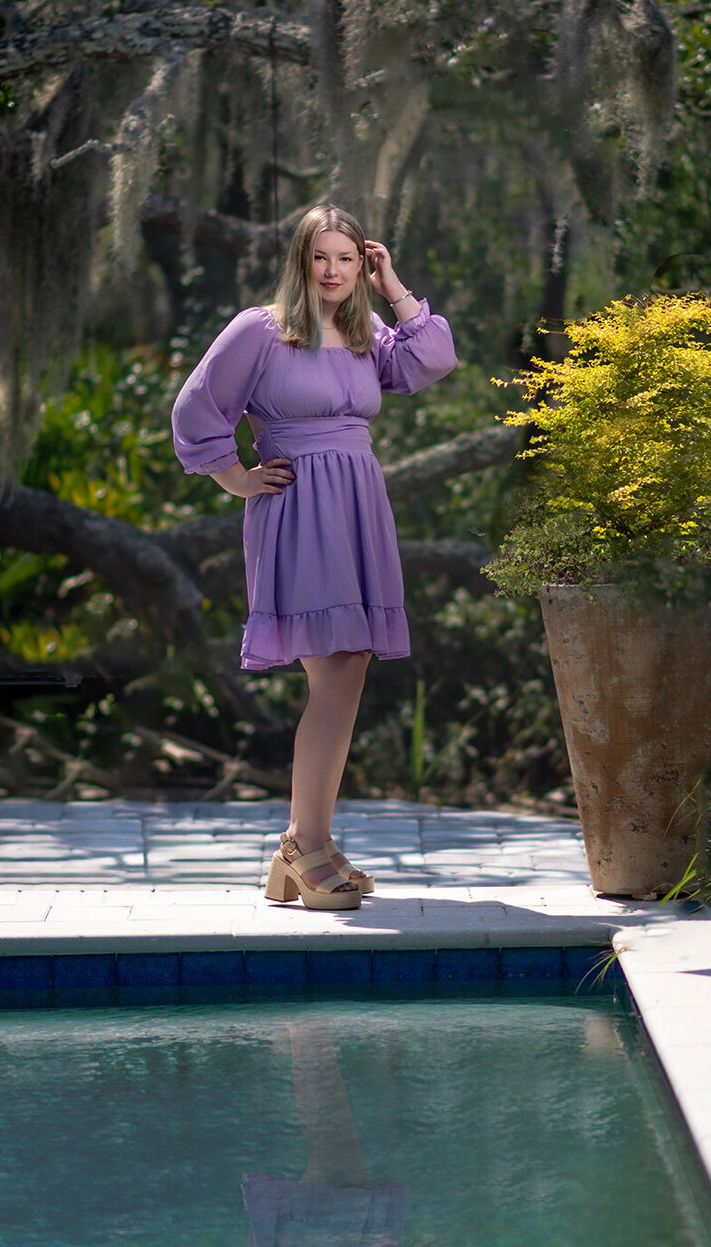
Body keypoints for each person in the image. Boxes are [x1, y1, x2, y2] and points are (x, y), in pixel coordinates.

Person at [171, 204, 456, 911]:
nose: (332, 272)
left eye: (348, 259)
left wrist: (395, 287)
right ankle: (308, 845)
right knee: (335, 669)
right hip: (297, 509)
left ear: (362, 263)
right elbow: (194, 407)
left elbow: (434, 360)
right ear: (300, 261)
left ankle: (304, 846)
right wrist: (234, 477)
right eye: (320, 257)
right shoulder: (260, 330)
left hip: (360, 503)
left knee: (349, 666)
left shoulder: (367, 334)